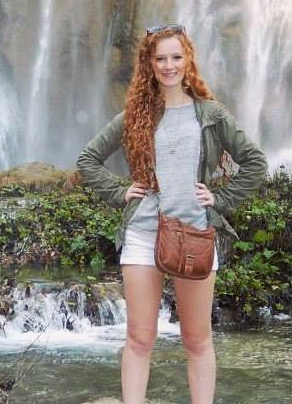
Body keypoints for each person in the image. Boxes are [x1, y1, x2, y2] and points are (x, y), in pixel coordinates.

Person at [76, 24, 267, 404]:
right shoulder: (135, 114)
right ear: (149, 62)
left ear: (188, 59)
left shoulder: (210, 114)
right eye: (160, 58)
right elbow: (88, 159)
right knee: (139, 338)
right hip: (144, 235)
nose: (168, 65)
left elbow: (255, 162)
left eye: (176, 57)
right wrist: (120, 192)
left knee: (197, 339)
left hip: (195, 234)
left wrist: (221, 200)